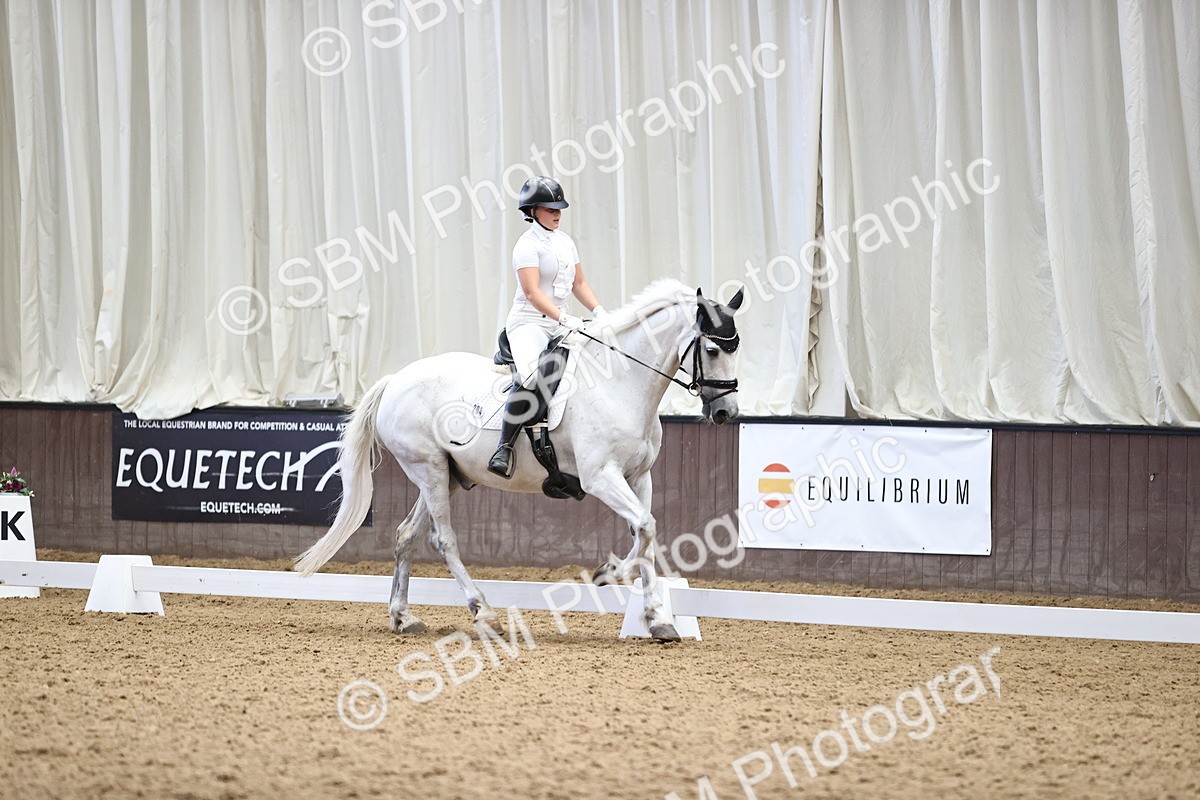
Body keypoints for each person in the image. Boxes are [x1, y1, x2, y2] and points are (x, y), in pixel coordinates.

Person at [487, 176, 605, 478]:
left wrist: (599, 311)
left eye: (559, 208)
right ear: (533, 210)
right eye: (550, 208)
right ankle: (505, 446)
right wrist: (563, 318)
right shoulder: (525, 246)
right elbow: (532, 292)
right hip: (529, 323)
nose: (557, 213)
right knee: (531, 378)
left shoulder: (566, 242)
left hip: (560, 319)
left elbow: (579, 283)